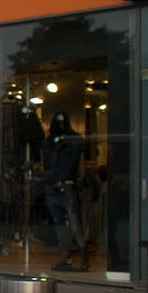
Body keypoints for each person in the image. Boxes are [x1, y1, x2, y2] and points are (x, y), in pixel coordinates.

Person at [43, 110, 88, 271]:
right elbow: (48, 163)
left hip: (66, 185)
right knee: (61, 223)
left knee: (74, 222)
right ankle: (65, 255)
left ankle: (82, 254)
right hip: (54, 186)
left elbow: (73, 162)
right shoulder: (50, 141)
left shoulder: (73, 141)